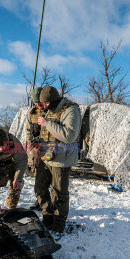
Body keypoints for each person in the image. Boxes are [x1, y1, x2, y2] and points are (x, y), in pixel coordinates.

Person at [35, 86, 81, 233]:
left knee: (59, 193)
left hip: (62, 160)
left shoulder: (71, 110)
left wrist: (47, 124)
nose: (43, 106)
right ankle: (47, 218)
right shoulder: (50, 110)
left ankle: (58, 225)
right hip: (46, 156)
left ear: (53, 100)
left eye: (46, 103)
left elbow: (69, 136)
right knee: (40, 188)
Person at [25, 87, 45, 211]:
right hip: (37, 149)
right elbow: (28, 131)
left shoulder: (52, 110)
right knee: (38, 176)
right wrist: (32, 145)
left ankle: (52, 202)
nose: (38, 104)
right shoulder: (31, 112)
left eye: (40, 101)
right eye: (35, 102)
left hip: (51, 148)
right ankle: (40, 200)